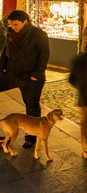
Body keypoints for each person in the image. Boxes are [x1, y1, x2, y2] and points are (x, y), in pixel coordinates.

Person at [0, 10, 49, 149]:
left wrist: (36, 74)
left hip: (30, 77)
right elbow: (5, 53)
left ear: (25, 22)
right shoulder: (12, 34)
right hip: (11, 74)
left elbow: (44, 55)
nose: (13, 27)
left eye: (16, 24)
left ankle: (31, 138)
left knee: (32, 107)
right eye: (11, 24)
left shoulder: (38, 34)